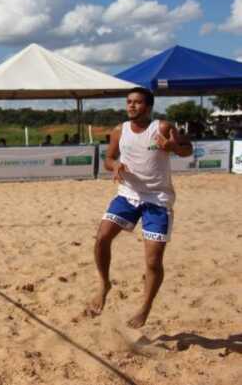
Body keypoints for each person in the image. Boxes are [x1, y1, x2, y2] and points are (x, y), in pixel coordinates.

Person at [87, 87, 192, 328]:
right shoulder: (119, 130)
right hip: (128, 194)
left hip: (157, 199)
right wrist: (114, 166)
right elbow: (108, 159)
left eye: (137, 102)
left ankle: (145, 308)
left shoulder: (163, 127)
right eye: (129, 102)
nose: (131, 106)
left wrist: (173, 147)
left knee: (153, 262)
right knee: (102, 236)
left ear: (148, 107)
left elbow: (188, 149)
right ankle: (104, 283)